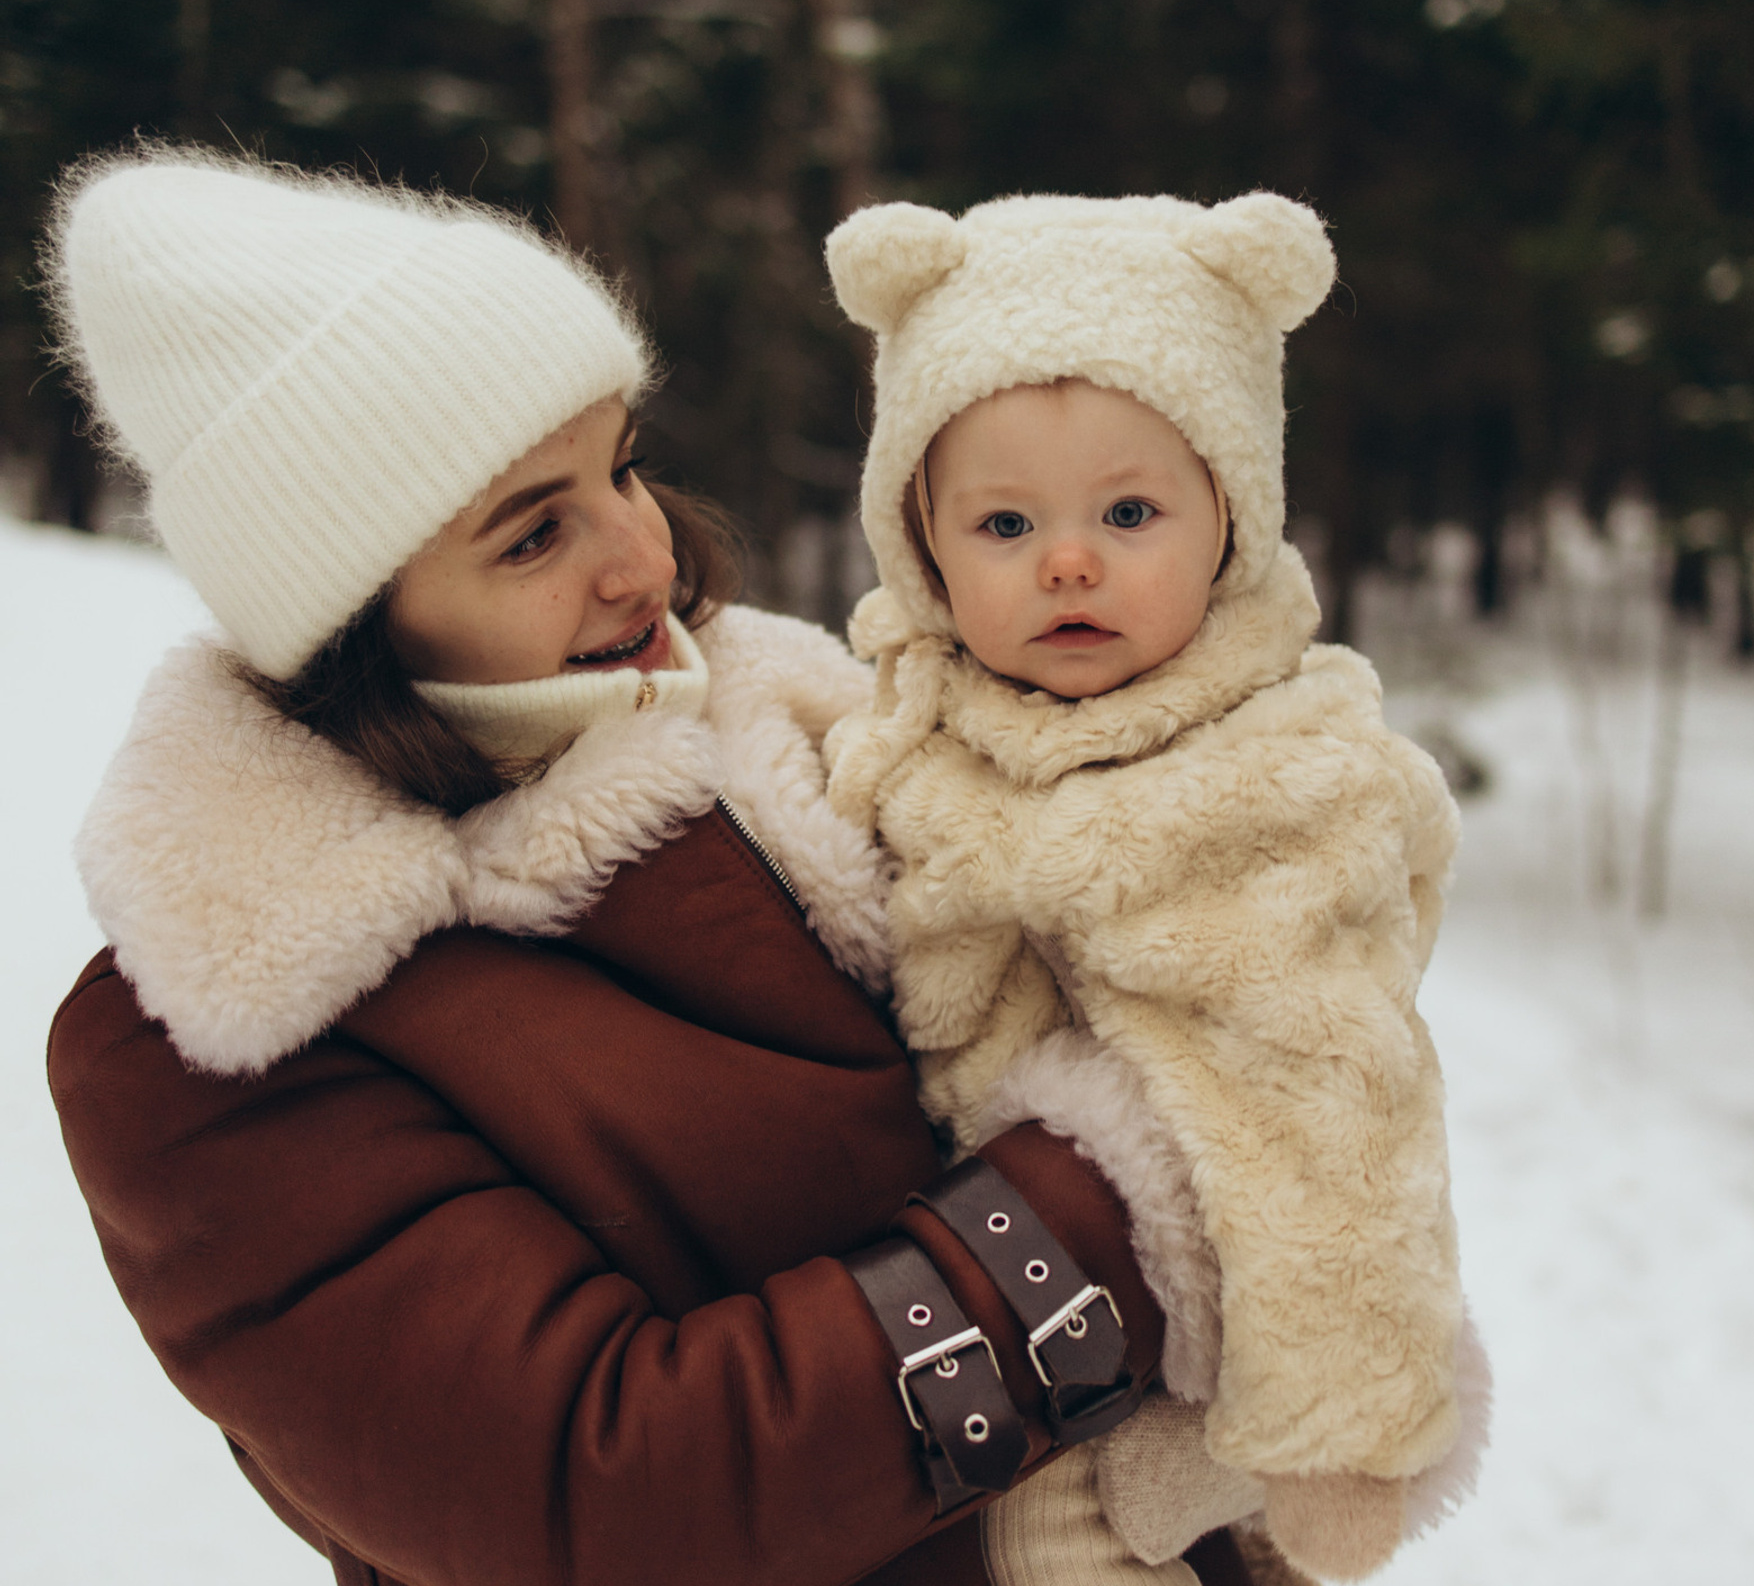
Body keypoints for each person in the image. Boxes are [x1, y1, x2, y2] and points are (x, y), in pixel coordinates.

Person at [43, 148, 1255, 1586]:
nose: (645, 559)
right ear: (357, 624)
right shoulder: (216, 1035)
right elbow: (602, 1497)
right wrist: (1110, 1203)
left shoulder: (820, 726)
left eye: (620, 464)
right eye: (534, 532)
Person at [821, 194, 1490, 1583]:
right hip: (976, 1340)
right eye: (1004, 522)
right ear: (923, 548)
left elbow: (1338, 1105)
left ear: (1228, 521)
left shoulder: (1281, 776)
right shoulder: (899, 736)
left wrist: (1340, 1433)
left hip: (1226, 1375)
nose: (1070, 560)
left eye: (1130, 512)